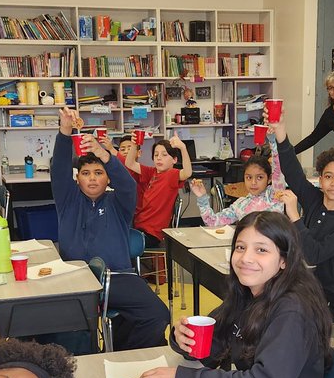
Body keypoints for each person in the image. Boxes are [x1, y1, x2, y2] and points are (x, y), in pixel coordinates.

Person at [138, 211, 332, 378]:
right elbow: (213, 346)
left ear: (284, 260)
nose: (246, 258)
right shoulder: (250, 292)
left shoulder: (292, 311)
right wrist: (182, 339)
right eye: (240, 247)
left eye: (261, 250)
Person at [52, 108, 169, 350]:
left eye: (98, 173)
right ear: (78, 179)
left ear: (108, 179)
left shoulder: (119, 202)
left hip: (118, 277)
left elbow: (127, 183)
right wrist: (65, 130)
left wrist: (104, 155)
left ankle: (121, 353)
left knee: (158, 315)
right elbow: (59, 170)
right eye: (85, 173)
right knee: (63, 329)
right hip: (77, 280)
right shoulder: (68, 200)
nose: (92, 178)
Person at [270, 116, 334, 322]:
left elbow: (313, 254)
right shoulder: (314, 200)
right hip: (301, 287)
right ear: (320, 180)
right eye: (328, 176)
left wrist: (293, 215)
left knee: (283, 314)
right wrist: (280, 131)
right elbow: (293, 172)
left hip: (328, 298)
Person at [122, 133, 192, 246]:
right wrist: (134, 145)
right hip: (139, 225)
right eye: (156, 155)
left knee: (118, 242)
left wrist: (182, 147)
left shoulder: (171, 174)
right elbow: (129, 163)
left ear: (174, 160)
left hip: (152, 233)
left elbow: (187, 172)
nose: (159, 158)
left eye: (164, 155)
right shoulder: (152, 172)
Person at [190, 149, 286, 227]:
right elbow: (212, 222)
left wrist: (273, 141)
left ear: (269, 179)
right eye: (249, 177)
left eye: (259, 177)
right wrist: (202, 198)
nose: (253, 182)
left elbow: (278, 169)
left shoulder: (275, 195)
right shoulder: (240, 205)